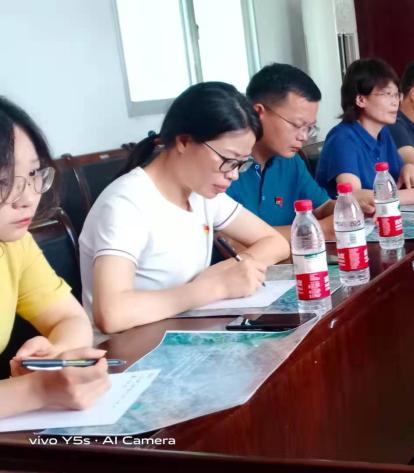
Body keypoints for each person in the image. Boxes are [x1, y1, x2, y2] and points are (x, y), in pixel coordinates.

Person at [80, 82, 290, 334]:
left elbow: (275, 243)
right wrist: (214, 287)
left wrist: (237, 267)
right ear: (183, 141)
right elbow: (112, 314)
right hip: (128, 348)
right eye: (227, 160)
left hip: (181, 333)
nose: (233, 174)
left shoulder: (203, 194)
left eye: (240, 164)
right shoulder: (125, 204)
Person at [0, 96, 111, 418]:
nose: (27, 197)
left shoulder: (14, 245)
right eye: (2, 181)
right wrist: (36, 390)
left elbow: (69, 318)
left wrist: (57, 357)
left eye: (34, 172)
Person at [315, 58, 414, 211]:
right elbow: (354, 196)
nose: (395, 102)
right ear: (361, 99)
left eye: (396, 95)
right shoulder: (342, 138)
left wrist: (409, 168)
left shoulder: (383, 132)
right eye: (387, 94)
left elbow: (399, 172)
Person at [227, 63, 335, 241]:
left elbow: (322, 207)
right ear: (258, 112)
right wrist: (321, 229)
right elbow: (233, 242)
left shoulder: (290, 160)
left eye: (309, 128)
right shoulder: (226, 165)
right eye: (297, 125)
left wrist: (348, 207)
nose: (303, 137)